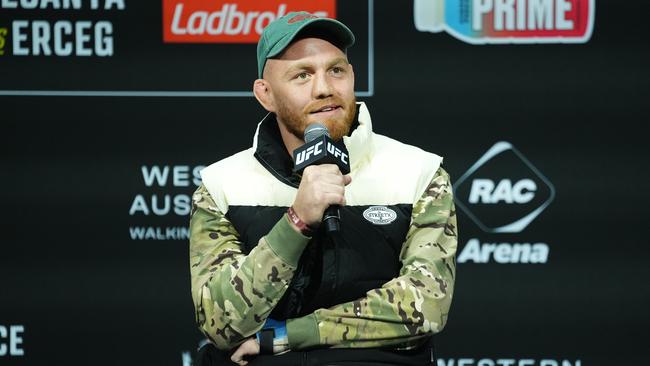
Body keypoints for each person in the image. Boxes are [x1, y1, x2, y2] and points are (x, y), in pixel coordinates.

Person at [189, 11, 458, 366]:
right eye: (302, 75)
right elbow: (220, 324)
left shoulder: (418, 171)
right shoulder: (222, 184)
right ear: (265, 94)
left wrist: (289, 336)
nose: (324, 88)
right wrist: (296, 221)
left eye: (336, 70)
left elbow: (426, 306)